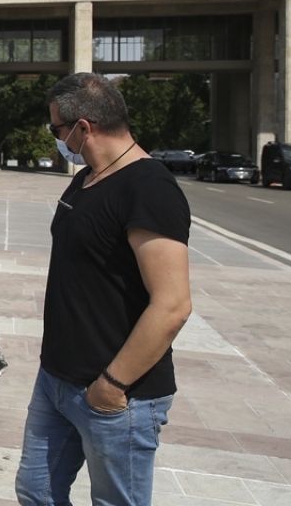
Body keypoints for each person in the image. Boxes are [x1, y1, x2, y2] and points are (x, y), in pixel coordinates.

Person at [16, 72, 193, 506]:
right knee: (36, 492)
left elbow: (173, 305)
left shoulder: (149, 188)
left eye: (56, 129)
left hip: (114, 394)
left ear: (83, 127)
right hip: (56, 379)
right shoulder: (88, 177)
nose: (56, 138)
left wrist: (111, 385)